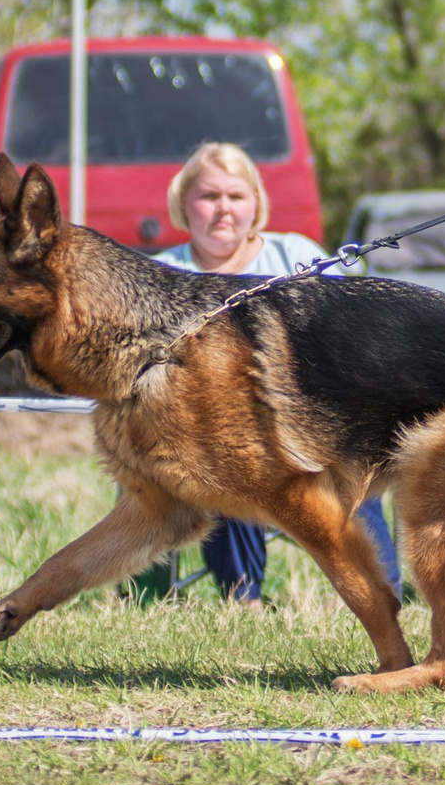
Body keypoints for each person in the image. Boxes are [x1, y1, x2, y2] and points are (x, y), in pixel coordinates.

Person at [153, 142, 399, 605]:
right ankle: (243, 598)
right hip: (214, 437)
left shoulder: (296, 256)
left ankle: (383, 596)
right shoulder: (164, 273)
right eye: (208, 197)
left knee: (354, 462)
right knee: (224, 460)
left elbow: (345, 343)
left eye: (236, 196)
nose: (223, 209)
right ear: (184, 204)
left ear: (256, 205)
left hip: (312, 426)